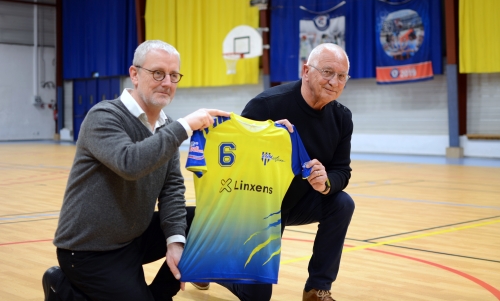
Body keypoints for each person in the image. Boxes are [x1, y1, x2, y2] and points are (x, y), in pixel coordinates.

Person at [42, 40, 229, 301]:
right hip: (89, 251)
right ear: (134, 74)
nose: (167, 82)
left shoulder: (167, 127)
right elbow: (130, 163)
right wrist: (186, 126)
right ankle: (61, 287)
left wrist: (176, 242)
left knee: (209, 220)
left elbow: (172, 188)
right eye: (158, 73)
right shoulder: (104, 116)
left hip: (133, 237)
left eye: (173, 75)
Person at [193, 43, 355, 301]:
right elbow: (234, 163)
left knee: (342, 203)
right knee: (257, 296)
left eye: (341, 76)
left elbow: (342, 170)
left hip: (298, 202)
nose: (334, 81)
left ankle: (317, 289)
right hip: (258, 207)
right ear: (306, 71)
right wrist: (263, 137)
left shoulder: (342, 118)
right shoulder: (267, 106)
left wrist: (326, 183)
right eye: (327, 72)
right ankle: (210, 269)